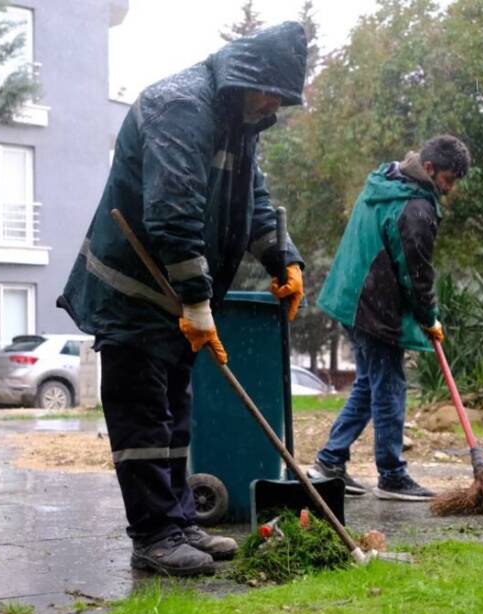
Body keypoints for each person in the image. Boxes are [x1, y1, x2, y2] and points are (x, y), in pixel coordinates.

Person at [57, 23, 308, 576]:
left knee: (175, 415)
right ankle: (153, 536)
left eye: (283, 100)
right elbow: (172, 213)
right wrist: (198, 303)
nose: (274, 105)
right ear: (247, 77)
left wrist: (283, 258)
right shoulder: (182, 107)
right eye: (272, 93)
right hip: (135, 290)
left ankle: (176, 522)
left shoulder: (236, 122)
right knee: (143, 417)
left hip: (174, 296)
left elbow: (252, 199)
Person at [309, 135, 471, 500]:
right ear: (428, 169)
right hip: (373, 308)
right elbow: (416, 274)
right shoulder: (415, 207)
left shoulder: (385, 182)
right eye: (448, 179)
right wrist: (429, 317)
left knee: (369, 384)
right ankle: (392, 474)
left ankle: (329, 461)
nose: (449, 187)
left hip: (350, 298)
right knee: (390, 387)